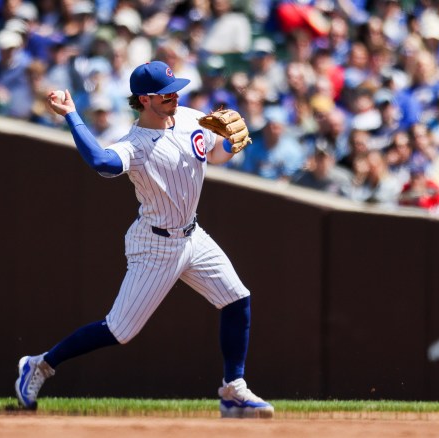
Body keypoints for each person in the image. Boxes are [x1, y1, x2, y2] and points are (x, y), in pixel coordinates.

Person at [14, 60, 274, 419]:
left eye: (176, 88)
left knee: (236, 299)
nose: (175, 95)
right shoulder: (135, 144)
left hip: (192, 237)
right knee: (119, 330)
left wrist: (231, 145)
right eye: (166, 93)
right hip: (155, 245)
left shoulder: (190, 118)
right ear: (144, 99)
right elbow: (102, 162)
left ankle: (233, 391)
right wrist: (73, 115)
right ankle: (41, 364)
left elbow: (215, 156)